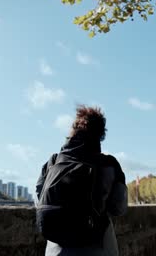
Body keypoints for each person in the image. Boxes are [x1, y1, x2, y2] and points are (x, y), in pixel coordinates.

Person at [36, 105, 128, 256]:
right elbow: (119, 208)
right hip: (97, 248)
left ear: (72, 131)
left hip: (56, 250)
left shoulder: (52, 162)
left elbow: (40, 200)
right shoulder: (109, 164)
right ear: (100, 134)